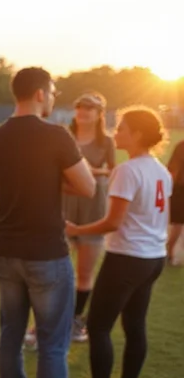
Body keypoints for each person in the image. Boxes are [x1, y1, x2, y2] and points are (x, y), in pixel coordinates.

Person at [0, 66, 96, 378]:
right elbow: (87, 185)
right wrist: (51, 178)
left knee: (10, 335)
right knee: (52, 344)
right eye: (52, 92)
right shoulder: (55, 134)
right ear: (39, 93)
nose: (53, 98)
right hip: (46, 252)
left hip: (6, 249)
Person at [67, 107, 172, 378]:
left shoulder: (128, 170)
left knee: (98, 327)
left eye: (122, 127)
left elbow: (113, 222)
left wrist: (75, 229)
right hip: (152, 257)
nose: (116, 131)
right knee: (135, 326)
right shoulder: (161, 170)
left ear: (138, 133)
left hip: (127, 258)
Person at [63, 93, 116, 342]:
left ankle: (75, 319)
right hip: (65, 203)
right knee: (57, 270)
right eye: (80, 107)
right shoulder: (65, 136)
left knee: (85, 271)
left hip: (94, 205)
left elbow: (112, 170)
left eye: (90, 109)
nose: (83, 112)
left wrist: (90, 170)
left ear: (99, 114)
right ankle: (48, 320)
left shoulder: (106, 141)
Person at [166, 138, 184, 264]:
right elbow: (173, 169)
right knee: (178, 222)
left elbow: (172, 169)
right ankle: (169, 251)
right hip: (180, 188)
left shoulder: (181, 145)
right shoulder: (181, 146)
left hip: (178, 187)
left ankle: (169, 252)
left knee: (177, 223)